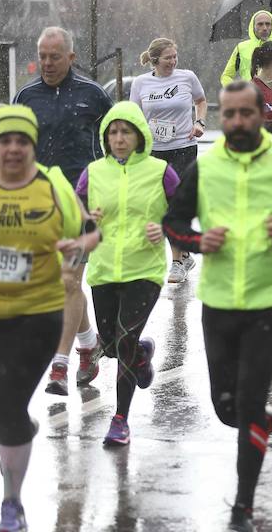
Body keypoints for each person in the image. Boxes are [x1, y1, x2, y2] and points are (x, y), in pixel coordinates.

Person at [163, 80, 272, 531]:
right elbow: (174, 223)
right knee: (226, 407)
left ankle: (243, 505)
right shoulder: (207, 168)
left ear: (261, 114)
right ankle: (258, 420)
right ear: (222, 117)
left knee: (249, 398)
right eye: (230, 114)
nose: (237, 122)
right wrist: (199, 242)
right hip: (219, 299)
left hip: (271, 299)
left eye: (246, 113)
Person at [0, 105, 101, 531]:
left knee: (9, 405)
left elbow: (92, 231)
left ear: (32, 147)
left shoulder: (51, 185)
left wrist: (76, 248)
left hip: (36, 315)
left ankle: (11, 504)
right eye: (5, 141)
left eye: (22, 142)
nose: (14, 149)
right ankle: (13, 423)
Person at [13, 26, 113, 395]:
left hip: (81, 202)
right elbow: (13, 149)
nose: (47, 62)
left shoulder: (93, 95)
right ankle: (90, 344)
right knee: (61, 283)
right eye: (42, 55)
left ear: (71, 57)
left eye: (55, 56)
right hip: (40, 202)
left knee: (69, 282)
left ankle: (60, 365)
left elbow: (116, 143)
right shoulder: (25, 97)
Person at [75, 102, 178, 445]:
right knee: (110, 344)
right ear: (106, 137)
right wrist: (88, 217)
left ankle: (120, 419)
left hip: (144, 269)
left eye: (126, 132)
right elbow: (74, 205)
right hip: (104, 269)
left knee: (125, 340)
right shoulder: (93, 171)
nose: (119, 139)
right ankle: (142, 356)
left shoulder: (160, 170)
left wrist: (164, 226)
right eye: (113, 133)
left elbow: (187, 206)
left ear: (139, 136)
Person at [130, 37, 205, 283]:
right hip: (154, 150)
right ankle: (183, 255)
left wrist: (199, 122)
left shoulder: (187, 77)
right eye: (167, 58)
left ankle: (176, 262)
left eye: (175, 57)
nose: (173, 61)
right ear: (155, 60)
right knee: (159, 204)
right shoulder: (141, 83)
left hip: (183, 147)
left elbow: (200, 101)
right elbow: (134, 116)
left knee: (176, 203)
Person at [220, 10, 272, 101]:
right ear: (253, 27)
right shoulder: (241, 48)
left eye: (268, 24)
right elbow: (226, 76)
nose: (264, 28)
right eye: (260, 24)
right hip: (249, 103)